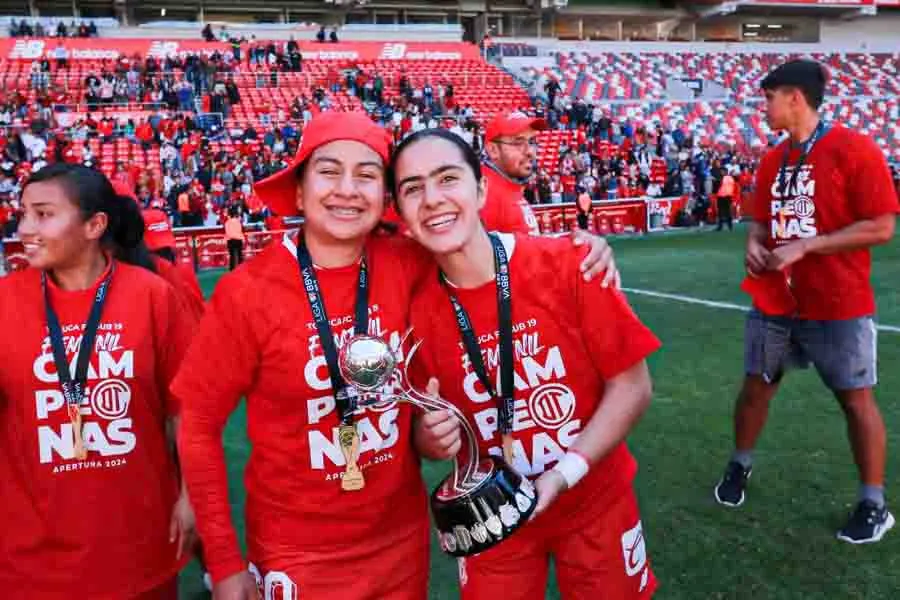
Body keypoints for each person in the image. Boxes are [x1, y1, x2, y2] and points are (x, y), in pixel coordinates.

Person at [172, 112, 619, 600]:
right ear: (299, 192)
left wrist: (581, 249)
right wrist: (225, 564)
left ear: (384, 199)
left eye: (366, 175)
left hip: (401, 543)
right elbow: (198, 424)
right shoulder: (246, 293)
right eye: (328, 171)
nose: (347, 189)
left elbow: (486, 252)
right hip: (295, 551)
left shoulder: (408, 262)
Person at [392, 128, 660, 599]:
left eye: (447, 178)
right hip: (491, 517)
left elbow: (633, 387)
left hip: (596, 498)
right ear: (402, 215)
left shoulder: (571, 262)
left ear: (480, 190)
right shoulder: (411, 313)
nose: (432, 199)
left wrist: (563, 474)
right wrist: (430, 438)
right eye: (413, 188)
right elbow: (426, 434)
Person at [713, 59, 899, 543]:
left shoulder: (854, 149)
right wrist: (755, 244)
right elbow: (759, 222)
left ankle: (873, 502)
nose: (763, 106)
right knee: (756, 386)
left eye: (769, 97)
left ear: (795, 97)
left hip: (838, 303)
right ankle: (740, 465)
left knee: (855, 401)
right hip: (776, 303)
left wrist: (807, 245)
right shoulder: (774, 158)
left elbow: (881, 225)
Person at [0, 163, 196, 598]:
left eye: (43, 214)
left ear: (95, 225)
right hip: (30, 559)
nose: (25, 228)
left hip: (142, 548)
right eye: (23, 213)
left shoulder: (152, 295)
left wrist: (192, 495)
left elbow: (189, 410)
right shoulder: (5, 302)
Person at [481, 111, 544, 235]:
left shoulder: (506, 185)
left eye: (531, 142)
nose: (530, 151)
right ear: (493, 150)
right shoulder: (486, 197)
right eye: (518, 142)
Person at [224, 205, 244, 271]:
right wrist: (242, 238)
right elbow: (240, 230)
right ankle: (241, 269)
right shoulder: (238, 221)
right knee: (240, 255)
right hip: (238, 240)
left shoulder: (227, 223)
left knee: (232, 256)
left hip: (231, 241)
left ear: (229, 215)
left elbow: (227, 232)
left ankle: (232, 270)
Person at [715, 167, 735, 231]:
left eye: (722, 171)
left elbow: (718, 185)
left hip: (721, 196)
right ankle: (730, 226)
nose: (721, 172)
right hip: (729, 196)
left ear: (725, 171)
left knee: (721, 211)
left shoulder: (722, 178)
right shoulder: (731, 178)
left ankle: (720, 226)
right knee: (728, 211)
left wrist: (715, 181)